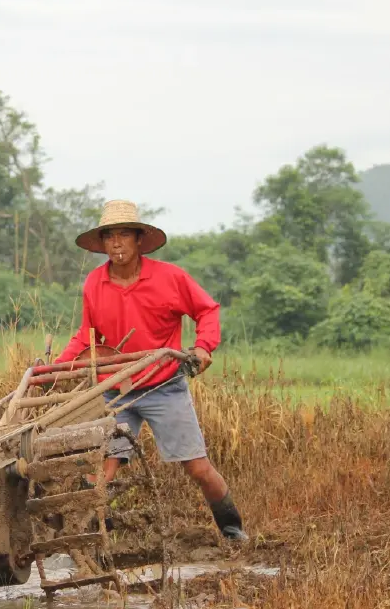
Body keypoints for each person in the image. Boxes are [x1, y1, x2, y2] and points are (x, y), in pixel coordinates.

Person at [54, 199, 248, 542]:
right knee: (105, 468)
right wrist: (57, 369)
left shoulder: (170, 278)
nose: (116, 243)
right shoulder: (94, 284)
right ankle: (84, 537)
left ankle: (232, 529)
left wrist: (203, 347)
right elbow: (87, 336)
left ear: (139, 239)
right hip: (117, 388)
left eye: (123, 235)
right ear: (101, 243)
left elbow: (208, 311)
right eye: (109, 236)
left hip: (163, 384)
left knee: (197, 468)